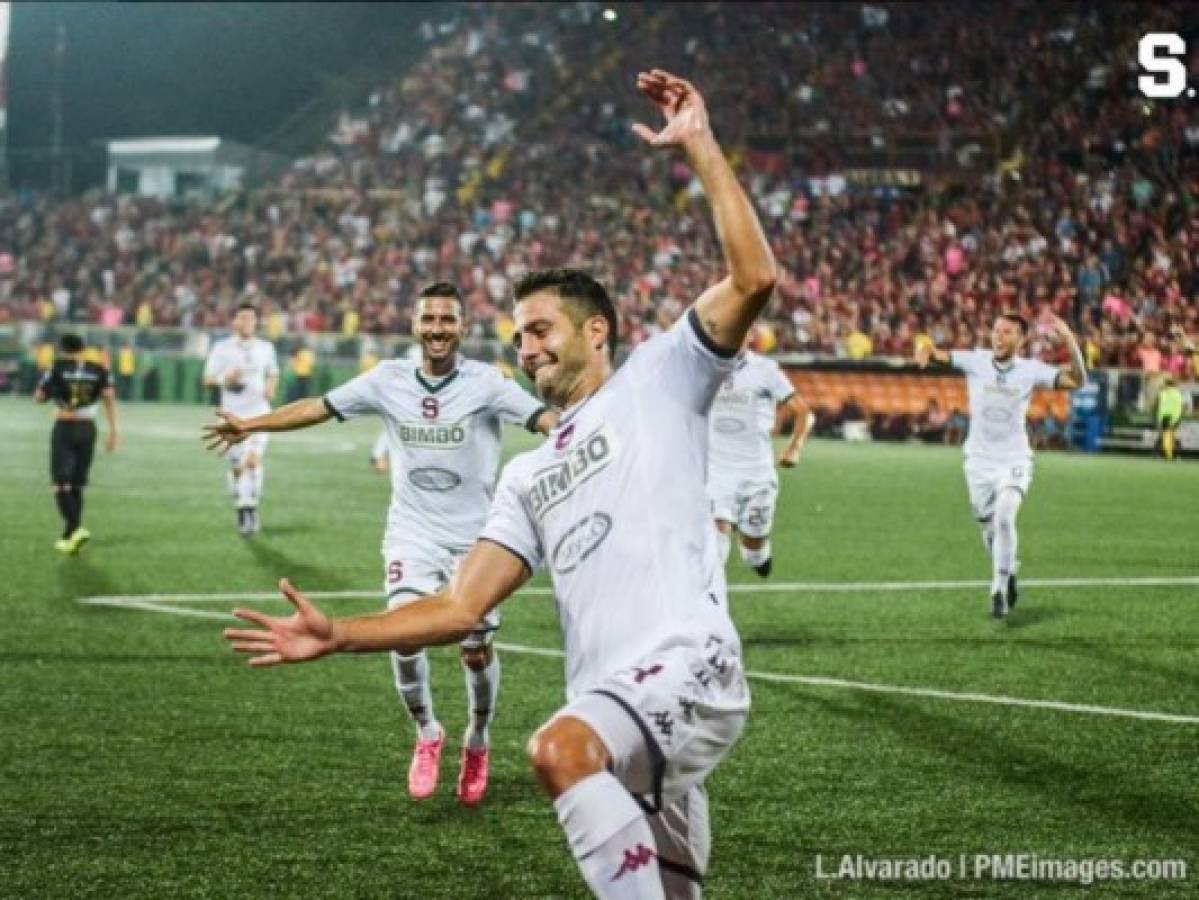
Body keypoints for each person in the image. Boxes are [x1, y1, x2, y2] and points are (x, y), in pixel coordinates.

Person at [222, 69, 775, 898]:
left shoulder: (662, 376)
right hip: (613, 705)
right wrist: (339, 635)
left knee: (556, 750)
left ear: (596, 329)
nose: (527, 348)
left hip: (683, 665)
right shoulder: (527, 473)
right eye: (517, 337)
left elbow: (752, 278)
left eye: (541, 329)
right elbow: (458, 607)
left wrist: (697, 142)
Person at [206, 281, 557, 808]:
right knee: (403, 638)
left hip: (476, 540)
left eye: (447, 319)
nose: (437, 328)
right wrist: (250, 425)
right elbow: (319, 406)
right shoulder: (388, 379)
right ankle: (427, 733)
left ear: (464, 327)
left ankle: (477, 741)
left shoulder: (487, 383)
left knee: (476, 650)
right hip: (412, 533)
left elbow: (545, 419)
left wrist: (584, 443)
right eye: (428, 319)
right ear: (414, 325)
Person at [915, 312, 1086, 617]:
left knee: (1005, 517)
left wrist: (1070, 342)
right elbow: (937, 355)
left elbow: (1077, 380)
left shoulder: (1030, 370)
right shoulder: (976, 361)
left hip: (1014, 459)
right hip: (979, 462)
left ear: (1021, 339)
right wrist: (924, 347)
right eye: (996, 330)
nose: (999, 337)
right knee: (989, 526)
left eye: (1007, 332)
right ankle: (1009, 569)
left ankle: (998, 589)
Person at [707, 336, 812, 577]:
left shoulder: (766, 370)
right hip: (716, 471)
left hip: (756, 474)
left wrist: (794, 448)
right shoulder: (704, 368)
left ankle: (757, 555)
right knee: (715, 542)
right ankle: (710, 595)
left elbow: (803, 412)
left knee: (754, 548)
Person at [34, 334, 119, 553]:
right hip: (88, 429)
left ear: (62, 349)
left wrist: (50, 393)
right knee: (78, 484)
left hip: (65, 427)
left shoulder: (57, 367)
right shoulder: (99, 369)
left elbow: (39, 397)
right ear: (83, 349)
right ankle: (69, 536)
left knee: (60, 483)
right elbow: (109, 398)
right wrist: (113, 432)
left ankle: (75, 527)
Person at [202, 302, 279, 536]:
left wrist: (270, 387)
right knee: (238, 467)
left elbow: (273, 372)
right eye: (242, 317)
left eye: (251, 318)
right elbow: (207, 380)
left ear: (256, 322)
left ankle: (250, 511)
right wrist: (225, 379)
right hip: (232, 415)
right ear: (234, 321)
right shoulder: (222, 348)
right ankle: (241, 504)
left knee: (253, 462)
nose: (247, 322)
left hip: (260, 413)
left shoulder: (266, 348)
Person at [1155, 376, 1185, 461]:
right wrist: (1159, 418)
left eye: (1165, 384)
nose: (1164, 385)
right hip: (1164, 417)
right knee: (1162, 437)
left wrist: (1174, 420)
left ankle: (1176, 456)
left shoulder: (1177, 394)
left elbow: (1178, 409)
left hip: (1172, 418)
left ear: (1169, 385)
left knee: (1172, 437)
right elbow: (1160, 407)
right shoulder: (1162, 394)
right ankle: (1161, 455)